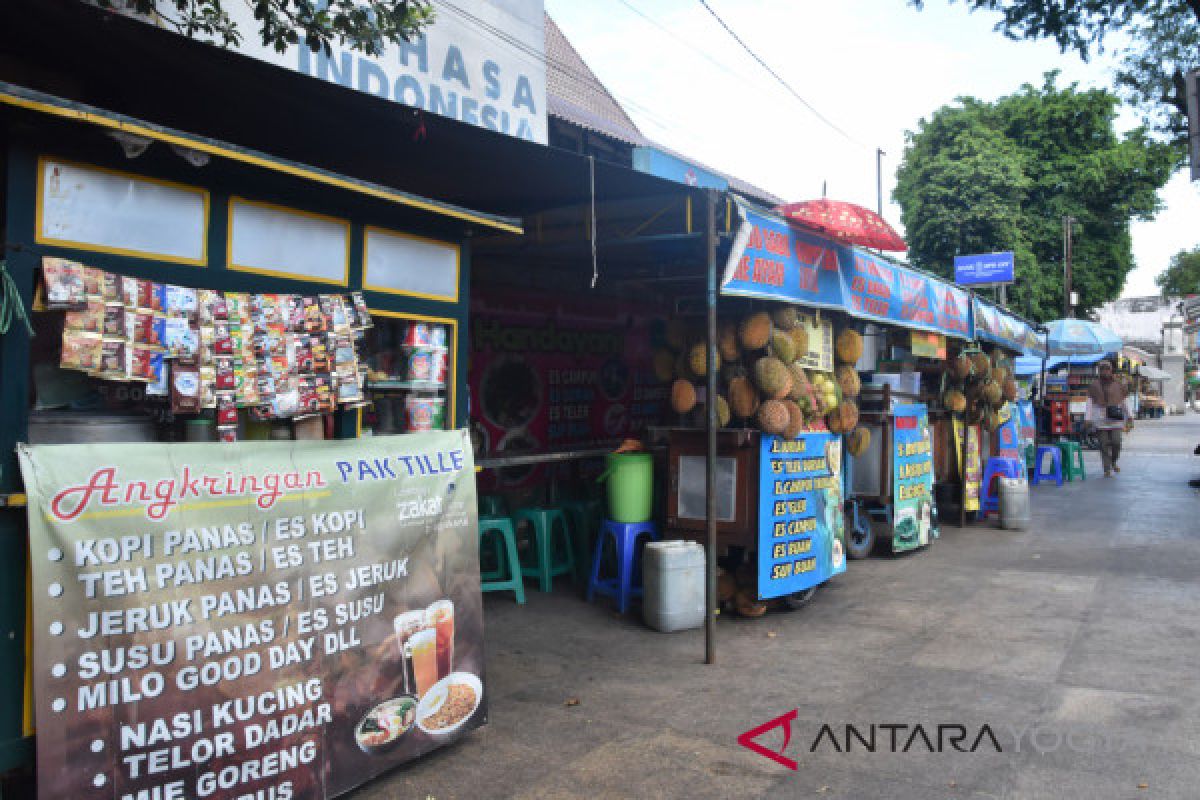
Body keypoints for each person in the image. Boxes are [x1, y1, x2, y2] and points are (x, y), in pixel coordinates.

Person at [1086, 359, 1133, 477]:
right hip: (1100, 420)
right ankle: (1106, 469)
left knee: (1117, 443)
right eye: (1102, 369)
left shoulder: (1118, 384)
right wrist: (1088, 418)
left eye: (1107, 369)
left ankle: (1113, 461)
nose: (1105, 372)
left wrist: (1130, 416)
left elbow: (1124, 401)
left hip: (1115, 420)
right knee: (1103, 444)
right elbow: (1089, 403)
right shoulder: (1094, 385)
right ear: (1099, 371)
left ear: (1111, 370)